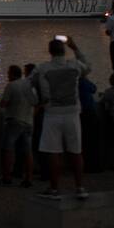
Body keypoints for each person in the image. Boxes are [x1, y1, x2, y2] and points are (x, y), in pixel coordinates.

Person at [34, 36, 91, 200]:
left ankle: (54, 189)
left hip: (52, 114)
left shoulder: (43, 68)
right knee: (76, 152)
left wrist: (36, 103)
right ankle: (79, 187)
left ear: (49, 52)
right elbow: (88, 67)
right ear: (64, 51)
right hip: (72, 114)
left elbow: (28, 85)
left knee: (53, 153)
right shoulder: (74, 65)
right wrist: (75, 47)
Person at [0, 64, 36, 186]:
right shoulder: (30, 86)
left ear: (13, 74)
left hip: (14, 121)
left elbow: (3, 103)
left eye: (8, 73)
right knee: (28, 152)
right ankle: (29, 178)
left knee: (7, 149)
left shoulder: (11, 86)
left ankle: (6, 177)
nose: (7, 76)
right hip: (28, 122)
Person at [78, 70, 102, 174]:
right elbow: (94, 88)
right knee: (93, 141)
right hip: (90, 114)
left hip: (82, 114)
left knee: (85, 142)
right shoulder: (83, 82)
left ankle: (87, 165)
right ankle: (95, 165)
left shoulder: (76, 83)